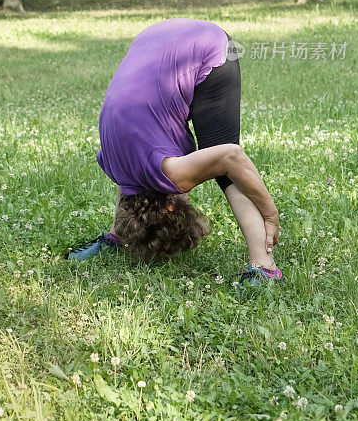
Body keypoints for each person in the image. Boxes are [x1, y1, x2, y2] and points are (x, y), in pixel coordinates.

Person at [67, 19, 283, 288]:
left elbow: (231, 156)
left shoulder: (173, 175)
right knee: (215, 157)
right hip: (153, 36)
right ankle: (115, 238)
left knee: (222, 159)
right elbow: (131, 184)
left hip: (207, 47)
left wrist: (270, 214)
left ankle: (263, 265)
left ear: (171, 205)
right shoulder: (111, 163)